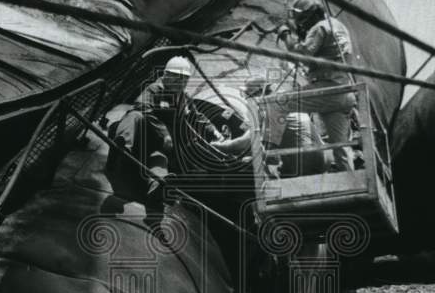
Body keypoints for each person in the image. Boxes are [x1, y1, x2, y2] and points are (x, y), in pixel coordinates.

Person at [103, 55, 222, 214]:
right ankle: (123, 147)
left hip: (156, 145)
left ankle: (157, 184)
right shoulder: (154, 89)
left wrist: (213, 130)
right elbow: (141, 105)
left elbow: (196, 117)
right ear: (166, 76)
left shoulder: (183, 98)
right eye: (178, 78)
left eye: (185, 79)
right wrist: (164, 132)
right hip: (140, 134)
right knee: (135, 115)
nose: (182, 83)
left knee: (160, 159)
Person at [276, 0, 358, 172]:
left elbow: (302, 55)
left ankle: (273, 158)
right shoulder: (339, 26)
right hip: (344, 94)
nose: (300, 22)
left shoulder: (319, 28)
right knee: (341, 148)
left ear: (308, 16)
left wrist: (285, 35)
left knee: (276, 104)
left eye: (301, 18)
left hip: (327, 91)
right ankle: (351, 182)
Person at [211, 76, 325, 178]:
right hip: (321, 161)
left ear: (258, 94)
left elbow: (246, 142)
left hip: (304, 168)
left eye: (248, 95)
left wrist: (221, 146)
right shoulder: (285, 103)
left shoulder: (270, 109)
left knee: (245, 168)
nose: (246, 99)